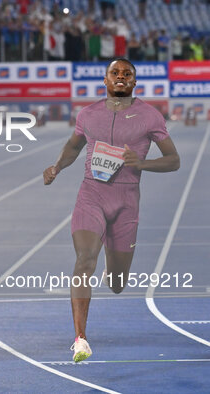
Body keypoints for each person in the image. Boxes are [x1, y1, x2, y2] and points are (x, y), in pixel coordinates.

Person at [43, 58, 179, 363]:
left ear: (134, 83)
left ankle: (113, 268)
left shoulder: (149, 116)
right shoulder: (88, 115)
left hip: (126, 202)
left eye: (126, 74)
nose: (120, 77)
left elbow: (174, 160)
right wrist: (57, 167)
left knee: (118, 283)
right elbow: (73, 146)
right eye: (115, 73)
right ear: (105, 81)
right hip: (91, 195)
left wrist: (141, 163)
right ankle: (80, 339)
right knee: (84, 260)